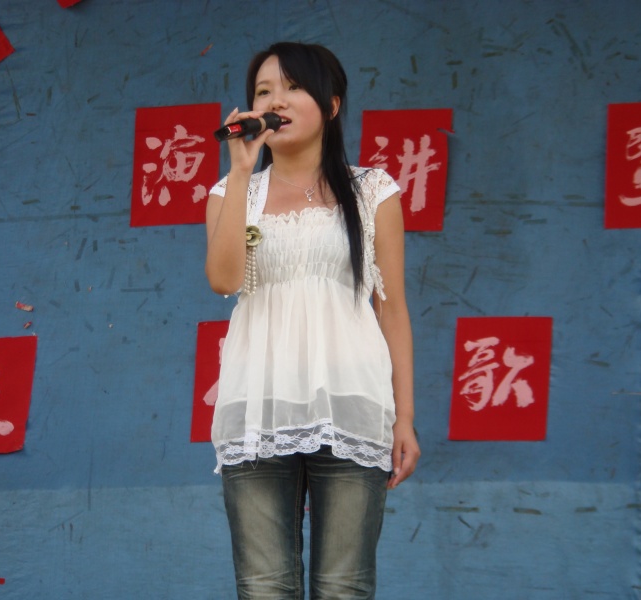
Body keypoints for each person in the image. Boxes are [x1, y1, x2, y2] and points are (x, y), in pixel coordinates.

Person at [204, 41, 420, 600]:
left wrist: (404, 418)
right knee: (264, 587)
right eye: (263, 91)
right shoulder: (231, 191)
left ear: (331, 104)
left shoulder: (371, 190)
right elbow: (224, 280)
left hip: (351, 403)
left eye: (293, 87)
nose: (275, 100)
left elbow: (392, 308)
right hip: (257, 406)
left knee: (343, 585)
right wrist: (241, 170)